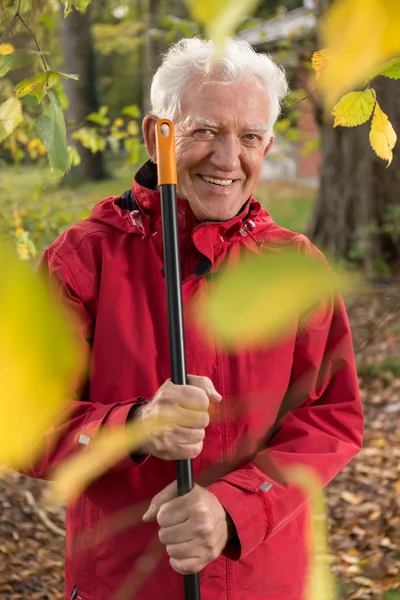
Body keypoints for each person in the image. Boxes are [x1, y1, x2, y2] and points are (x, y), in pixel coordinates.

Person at [32, 38, 363, 600]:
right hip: (123, 583)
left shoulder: (295, 265)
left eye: (250, 137)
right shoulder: (84, 260)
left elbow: (330, 419)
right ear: (156, 135)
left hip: (265, 581)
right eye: (205, 130)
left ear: (268, 145)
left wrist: (236, 506)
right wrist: (133, 425)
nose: (228, 159)